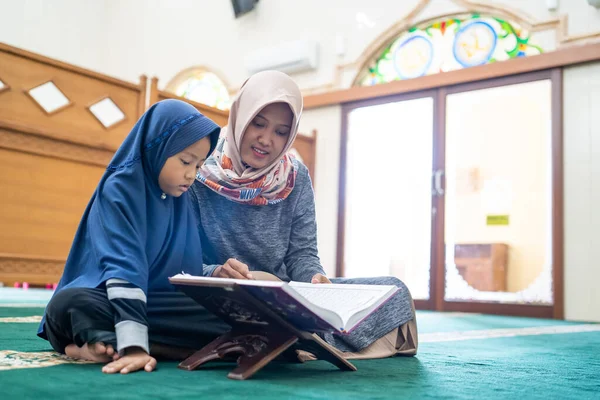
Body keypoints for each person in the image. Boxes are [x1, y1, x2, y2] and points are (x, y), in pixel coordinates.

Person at [190, 71, 418, 359]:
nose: (266, 140)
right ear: (240, 117)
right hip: (225, 294)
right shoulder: (198, 169)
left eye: (280, 131)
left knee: (392, 291)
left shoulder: (294, 177)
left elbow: (302, 253)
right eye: (257, 124)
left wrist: (314, 279)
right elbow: (184, 260)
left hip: (284, 295)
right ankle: (298, 339)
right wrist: (216, 272)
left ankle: (288, 338)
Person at [37, 99, 230, 374]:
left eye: (198, 166)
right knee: (68, 304)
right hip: (109, 296)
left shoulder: (180, 197)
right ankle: (131, 342)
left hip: (155, 304)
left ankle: (107, 341)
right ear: (157, 147)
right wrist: (135, 347)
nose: (191, 175)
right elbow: (123, 267)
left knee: (229, 314)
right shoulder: (120, 189)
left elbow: (186, 275)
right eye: (186, 161)